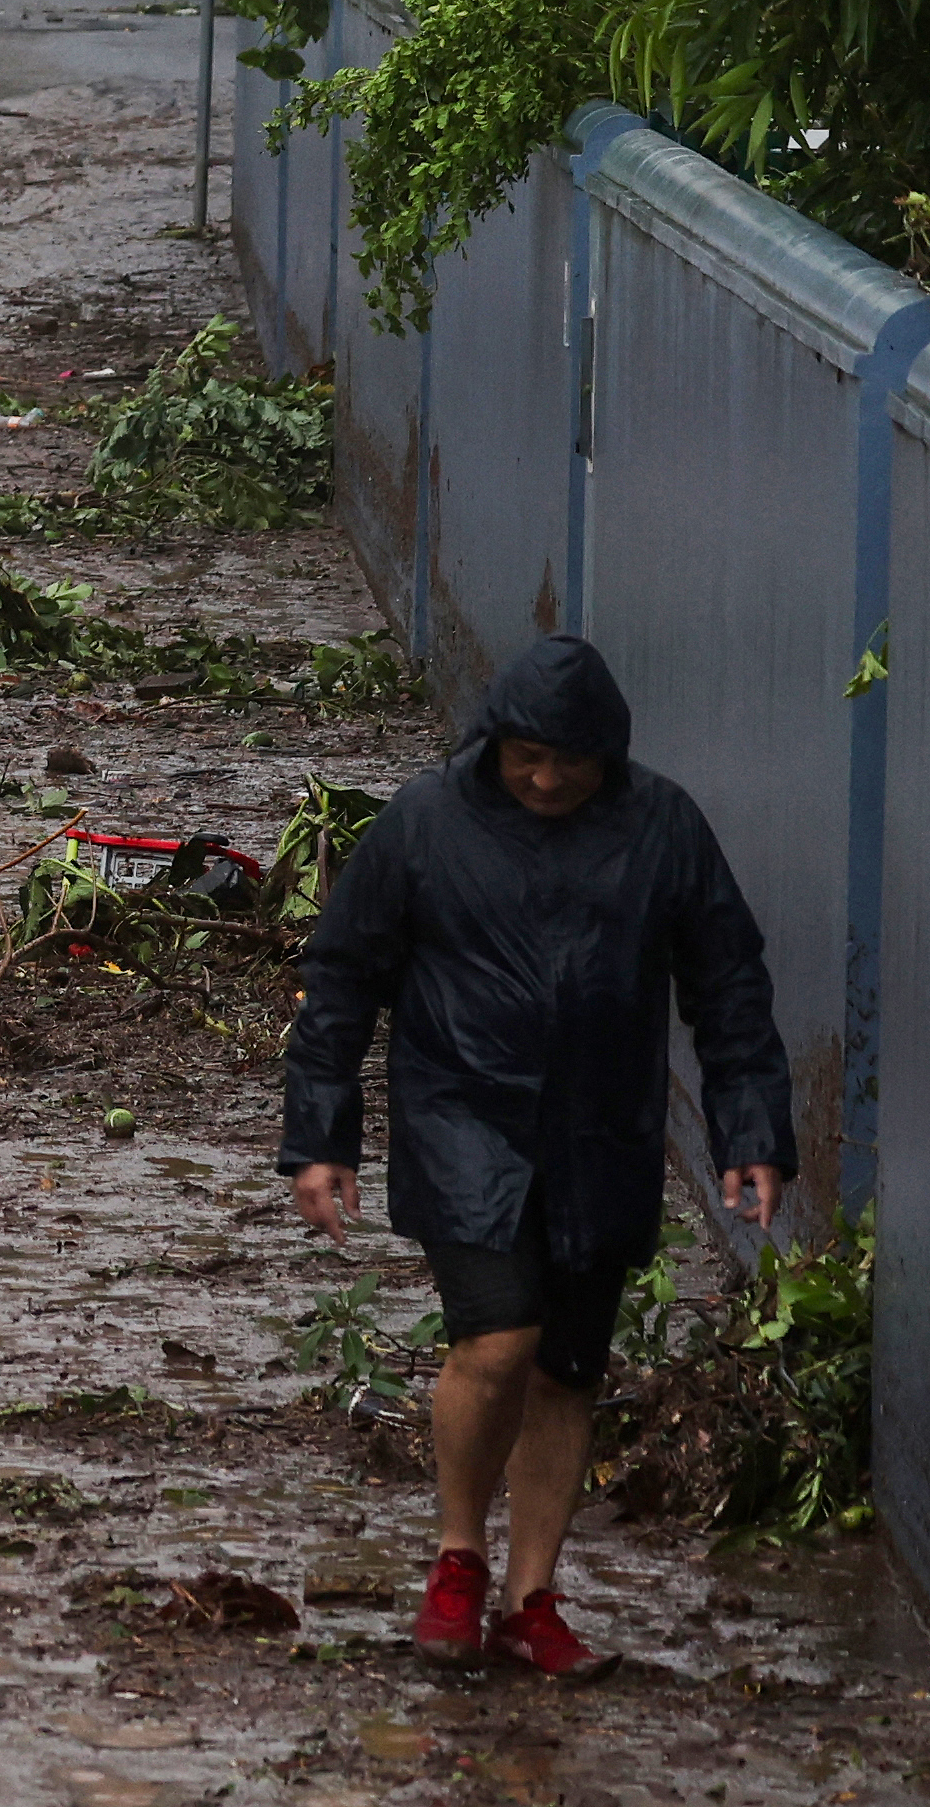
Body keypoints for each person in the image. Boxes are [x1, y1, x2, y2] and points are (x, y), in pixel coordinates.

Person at [283, 633, 793, 1678]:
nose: (546, 778)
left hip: (602, 1132)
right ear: (495, 742)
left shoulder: (663, 831)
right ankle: (458, 1561)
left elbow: (728, 981)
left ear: (608, 752)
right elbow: (340, 980)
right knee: (498, 1339)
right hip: (463, 1118)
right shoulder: (426, 825)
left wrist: (750, 1128)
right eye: (527, 756)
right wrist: (320, 1138)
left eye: (569, 759)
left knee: (568, 1369)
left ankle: (532, 1598)